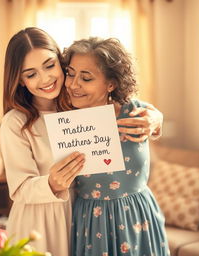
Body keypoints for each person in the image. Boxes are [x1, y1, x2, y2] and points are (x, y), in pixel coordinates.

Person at [0, 27, 163, 256]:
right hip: (40, 222)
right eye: (31, 74)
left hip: (80, 218)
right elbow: (18, 188)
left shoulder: (76, 106)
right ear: (20, 80)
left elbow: (125, 106)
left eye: (49, 65)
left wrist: (156, 119)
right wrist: (53, 183)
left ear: (60, 62)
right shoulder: (15, 122)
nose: (45, 78)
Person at [61, 37, 170, 256]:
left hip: (138, 218)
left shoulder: (134, 112)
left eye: (86, 77)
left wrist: (158, 120)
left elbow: (155, 123)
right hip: (92, 222)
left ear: (111, 84)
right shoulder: (65, 120)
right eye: (71, 74)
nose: (73, 84)